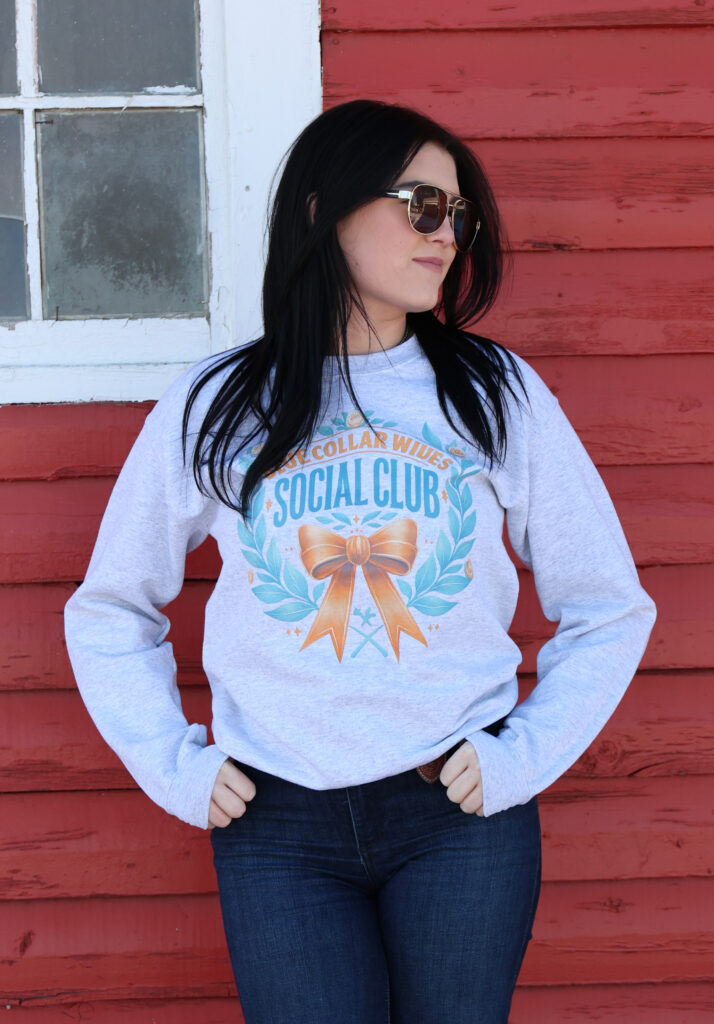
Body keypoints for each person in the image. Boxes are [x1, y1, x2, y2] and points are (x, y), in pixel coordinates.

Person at [64, 99, 656, 1023]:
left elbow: (609, 605)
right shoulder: (219, 405)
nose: (446, 234)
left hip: (456, 816)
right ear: (324, 210)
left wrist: (521, 757)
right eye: (423, 205)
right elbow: (110, 609)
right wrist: (175, 767)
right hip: (277, 823)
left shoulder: (494, 392)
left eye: (458, 214)